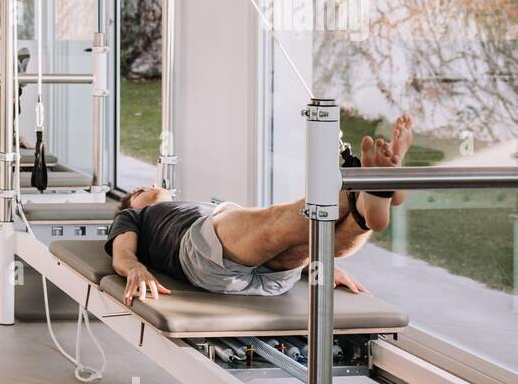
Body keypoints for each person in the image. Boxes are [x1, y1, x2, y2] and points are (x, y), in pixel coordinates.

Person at [107, 114, 415, 306]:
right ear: (134, 198)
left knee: (315, 243)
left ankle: (366, 207)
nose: (146, 187)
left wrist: (317, 267)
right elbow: (123, 254)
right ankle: (366, 185)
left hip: (269, 280)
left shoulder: (191, 206)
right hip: (198, 251)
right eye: (142, 189)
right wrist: (136, 270)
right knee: (275, 221)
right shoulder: (133, 215)